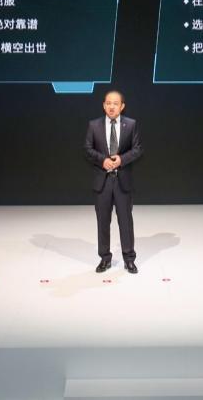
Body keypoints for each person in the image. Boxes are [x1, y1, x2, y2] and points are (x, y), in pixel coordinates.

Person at [83, 90, 143, 274]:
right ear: (103, 105)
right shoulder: (94, 125)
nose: (111, 106)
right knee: (103, 221)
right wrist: (103, 161)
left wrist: (121, 160)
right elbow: (87, 149)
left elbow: (138, 149)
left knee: (125, 221)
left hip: (122, 181)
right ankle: (105, 258)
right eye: (108, 103)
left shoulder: (131, 124)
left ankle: (129, 259)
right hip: (102, 181)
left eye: (115, 103)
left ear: (122, 106)